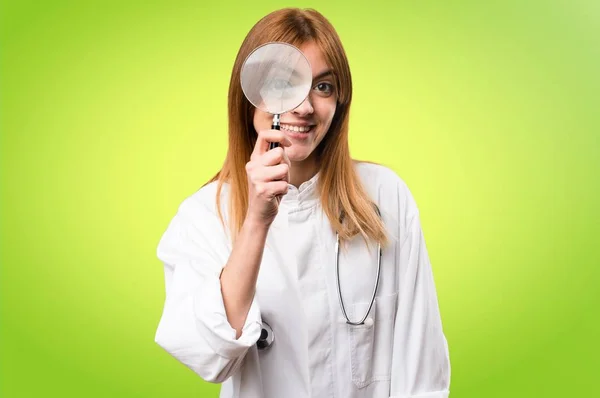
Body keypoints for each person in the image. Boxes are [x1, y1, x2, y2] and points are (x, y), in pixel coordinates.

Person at [154, 7, 451, 398]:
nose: (305, 107)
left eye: (323, 87)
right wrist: (257, 220)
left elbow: (421, 366)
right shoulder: (203, 216)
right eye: (283, 84)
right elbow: (208, 355)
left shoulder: (385, 196)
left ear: (339, 101)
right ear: (249, 97)